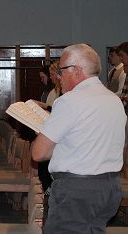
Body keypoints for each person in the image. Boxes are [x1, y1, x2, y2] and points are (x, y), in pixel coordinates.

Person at [31, 44, 125, 234]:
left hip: (77, 191)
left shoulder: (70, 101)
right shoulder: (113, 100)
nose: (58, 76)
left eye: (61, 70)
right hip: (109, 187)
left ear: (76, 70)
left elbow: (38, 153)